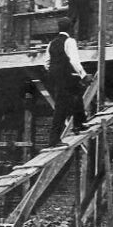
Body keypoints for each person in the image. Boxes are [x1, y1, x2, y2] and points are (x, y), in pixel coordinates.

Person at [44, 17, 93, 146]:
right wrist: (83, 75)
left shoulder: (51, 43)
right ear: (71, 28)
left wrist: (55, 72)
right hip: (65, 76)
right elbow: (74, 61)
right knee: (61, 107)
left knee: (77, 95)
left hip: (57, 77)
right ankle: (54, 140)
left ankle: (79, 124)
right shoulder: (69, 41)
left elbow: (46, 63)